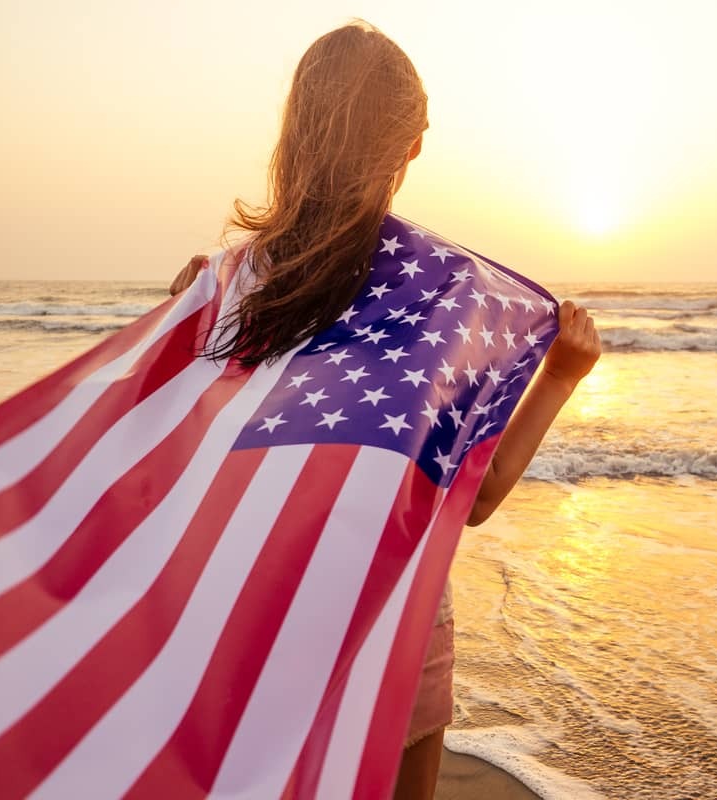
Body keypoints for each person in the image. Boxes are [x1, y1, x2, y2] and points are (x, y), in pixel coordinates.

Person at [171, 22, 600, 800]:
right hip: (394, 620)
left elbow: (171, 459)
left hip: (251, 620)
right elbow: (483, 493)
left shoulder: (228, 284)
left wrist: (181, 322)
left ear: (297, 130)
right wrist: (562, 374)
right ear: (407, 146)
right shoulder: (444, 297)